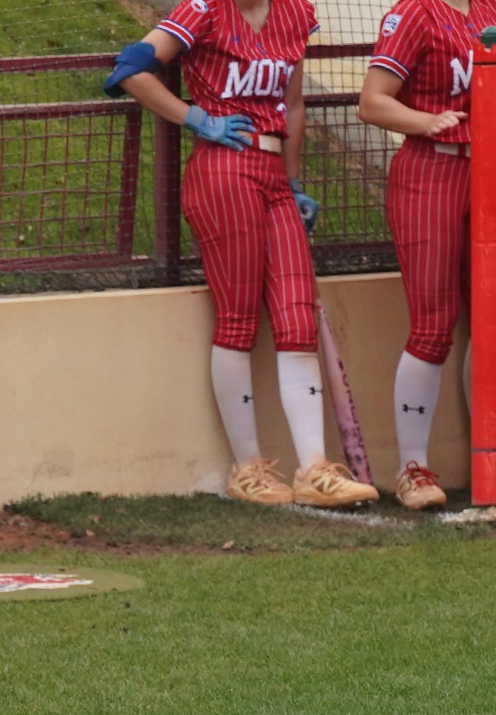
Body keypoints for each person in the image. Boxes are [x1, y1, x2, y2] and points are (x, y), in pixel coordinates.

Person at [108, 0, 378, 508]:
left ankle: (314, 468)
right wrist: (196, 118)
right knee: (237, 319)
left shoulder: (295, 12)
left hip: (274, 171)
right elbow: (130, 69)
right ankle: (248, 467)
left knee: (297, 315)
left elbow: (292, 103)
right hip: (223, 167)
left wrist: (295, 180)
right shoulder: (203, 9)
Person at [360, 0, 496, 508]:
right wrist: (424, 119)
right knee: (434, 323)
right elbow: (372, 102)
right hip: (432, 167)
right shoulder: (416, 11)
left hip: (494, 168)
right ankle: (412, 468)